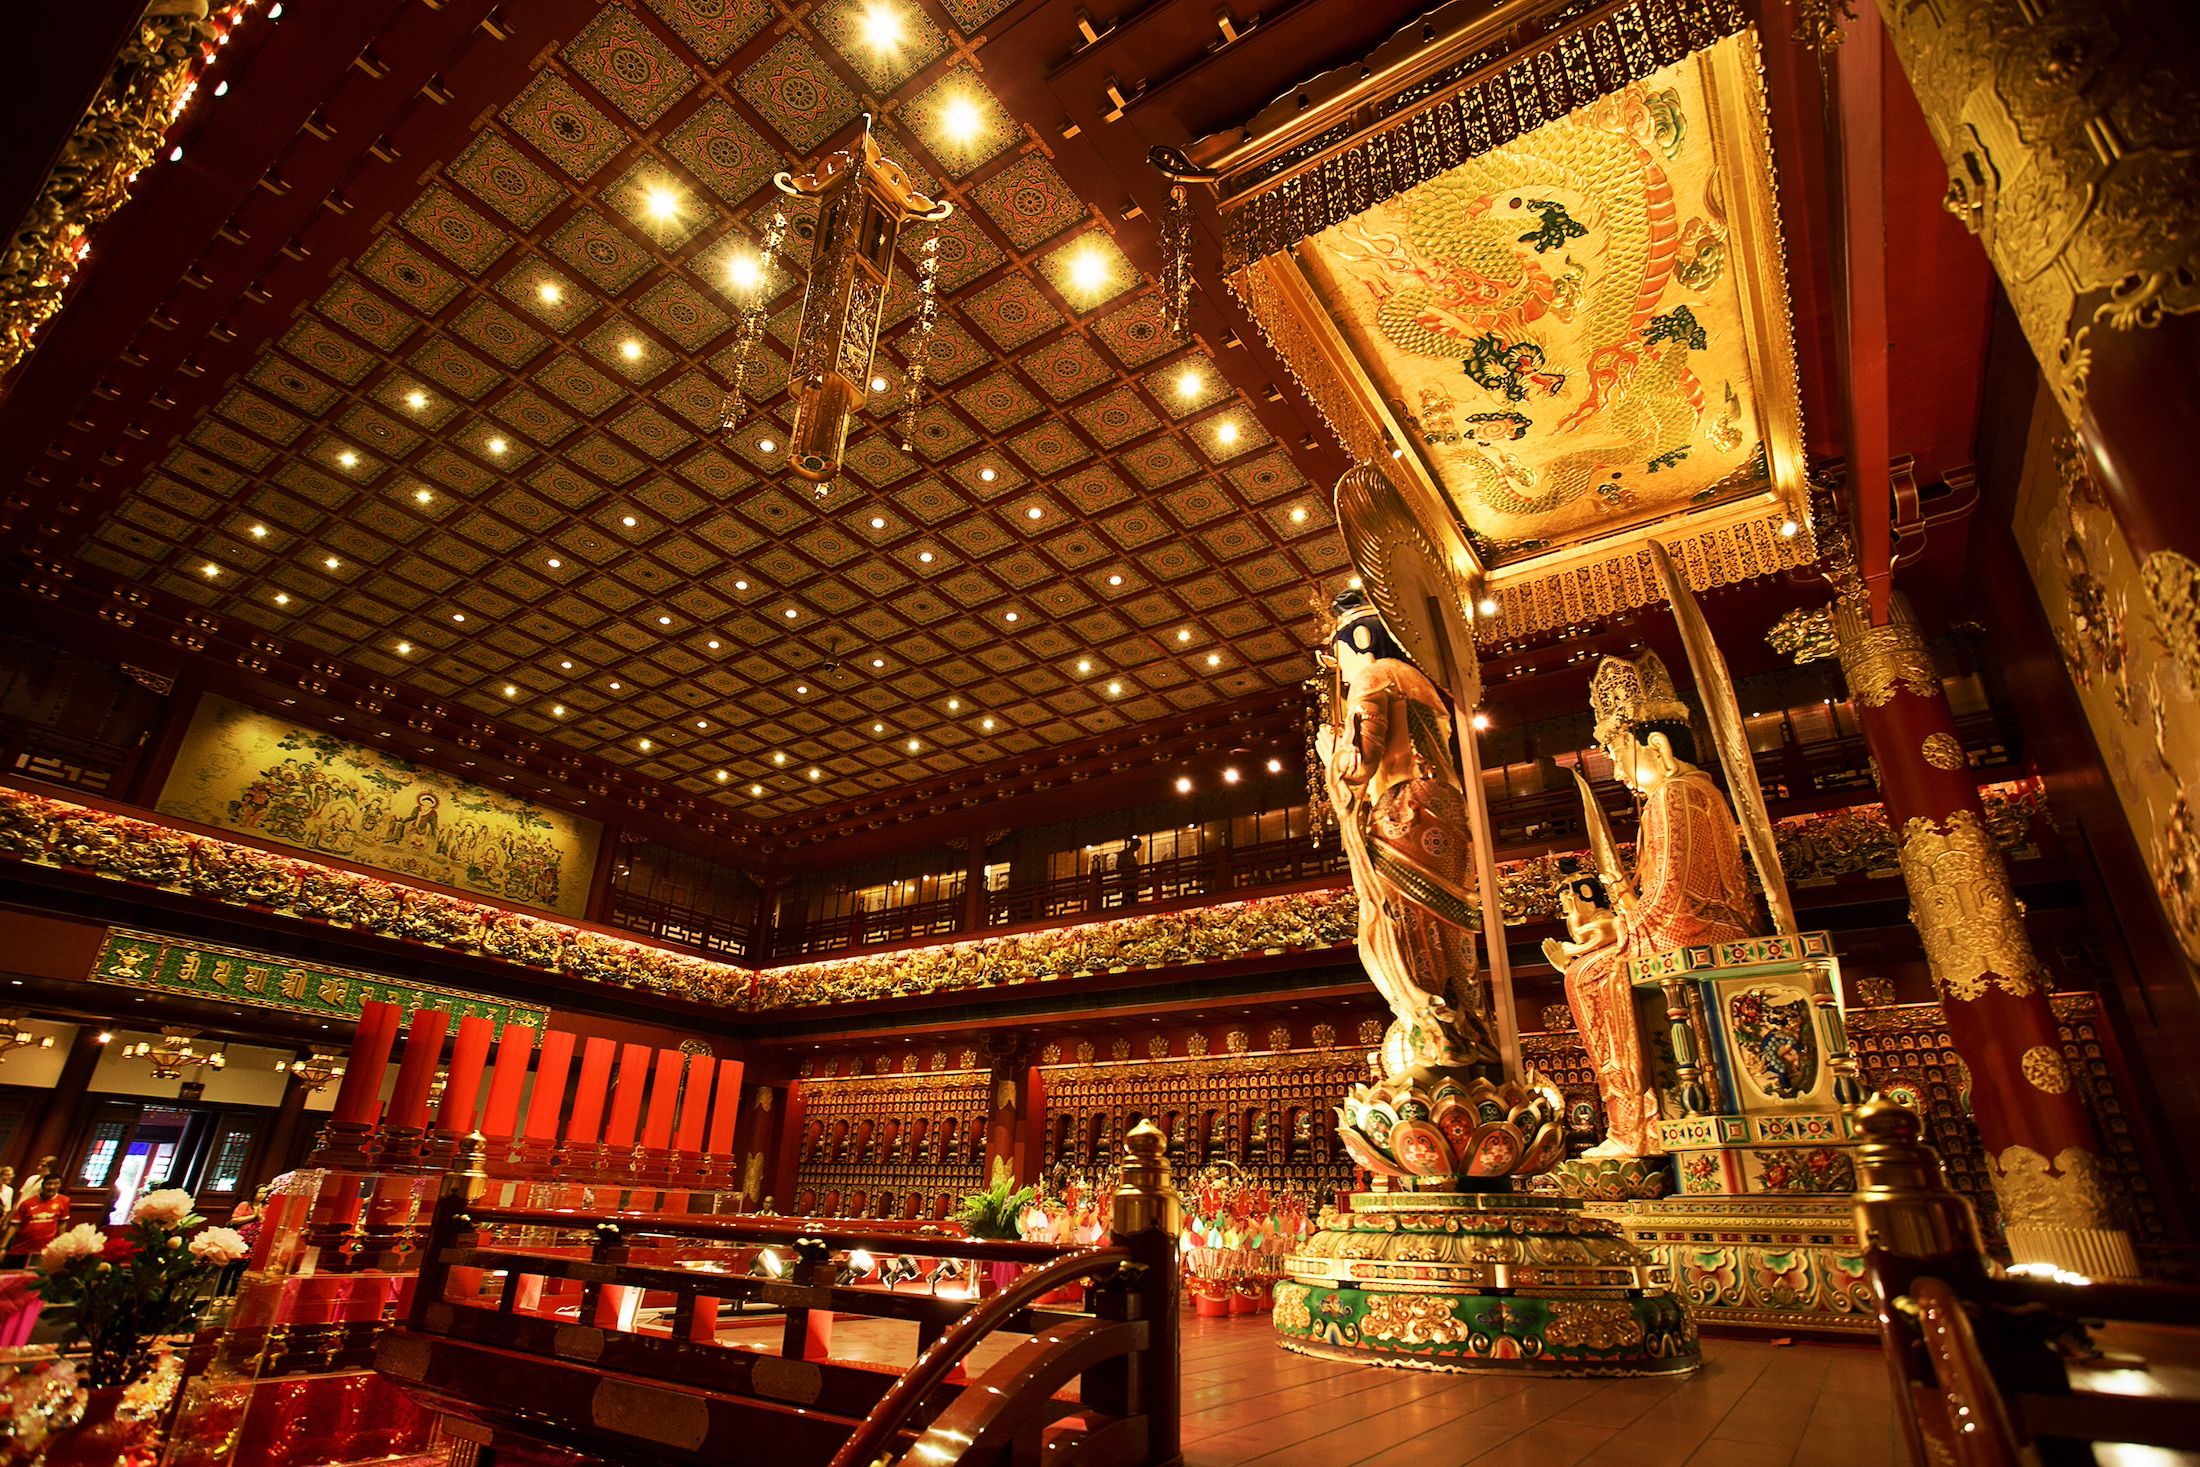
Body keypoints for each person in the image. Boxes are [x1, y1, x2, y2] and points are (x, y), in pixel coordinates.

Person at [3, 1177, 70, 1262]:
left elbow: (62, 1223)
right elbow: (14, 1225)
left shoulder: (64, 1201)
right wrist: (3, 1247)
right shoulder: (27, 1203)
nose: (52, 1187)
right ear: (42, 1185)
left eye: (56, 1184)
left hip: (44, 1250)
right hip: (21, 1249)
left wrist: (61, 1244)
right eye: (49, 1184)